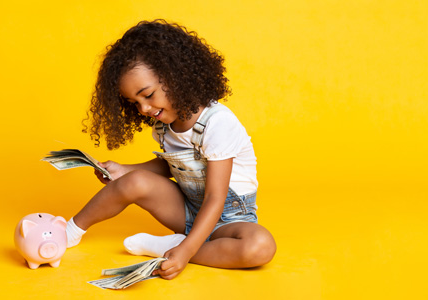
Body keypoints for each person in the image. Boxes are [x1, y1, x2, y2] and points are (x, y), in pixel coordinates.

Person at [65, 19, 276, 280]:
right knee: (133, 182)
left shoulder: (218, 123)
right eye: (134, 102)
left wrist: (185, 251)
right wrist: (125, 170)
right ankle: (69, 231)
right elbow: (175, 165)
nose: (143, 108)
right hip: (187, 211)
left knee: (260, 247)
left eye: (148, 94)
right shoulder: (163, 126)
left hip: (230, 219)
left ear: (175, 77)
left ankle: (168, 247)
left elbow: (215, 197)